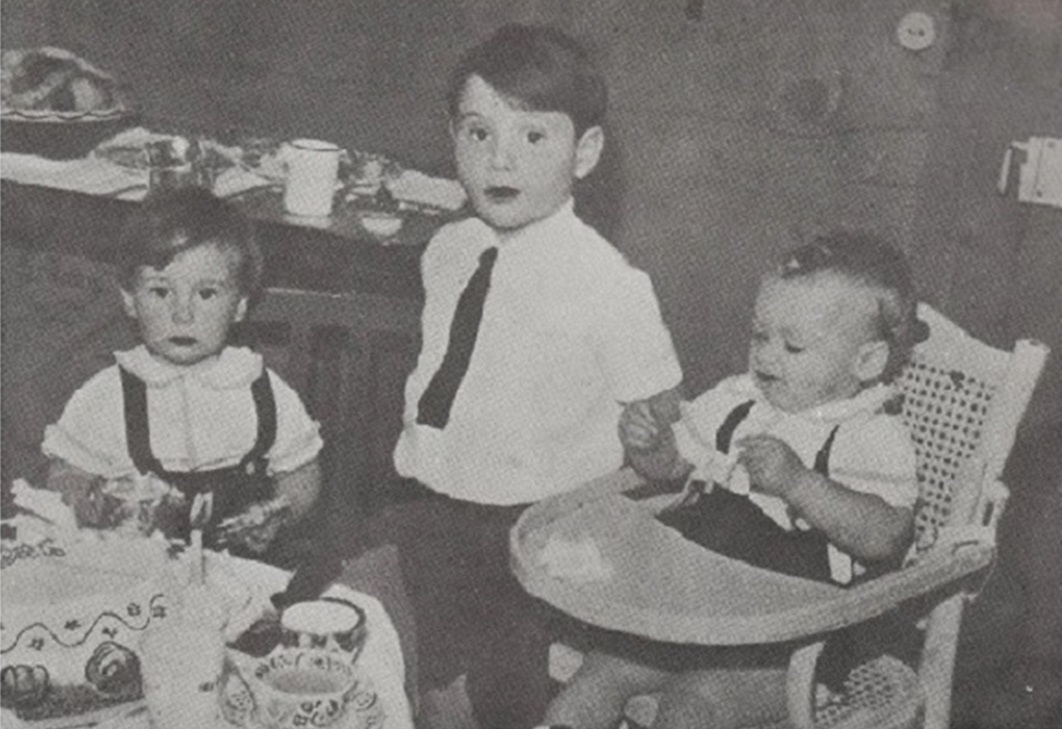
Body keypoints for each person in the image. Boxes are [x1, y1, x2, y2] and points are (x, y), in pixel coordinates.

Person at [375, 23, 683, 729]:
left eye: (533, 137)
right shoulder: (449, 250)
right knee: (359, 636)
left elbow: (667, 446)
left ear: (587, 152)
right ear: (451, 135)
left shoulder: (611, 285)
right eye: (478, 133)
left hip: (535, 535)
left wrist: (650, 444)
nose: (499, 158)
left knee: (473, 698)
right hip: (431, 504)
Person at [543, 231, 926, 729]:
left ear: (867, 362)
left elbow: (886, 536)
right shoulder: (738, 402)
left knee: (692, 707)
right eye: (759, 336)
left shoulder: (868, 434)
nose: (767, 356)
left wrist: (799, 483)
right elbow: (674, 465)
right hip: (690, 609)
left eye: (793, 346)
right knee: (595, 679)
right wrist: (651, 446)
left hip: (790, 643)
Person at [42, 188, 323, 558]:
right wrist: (99, 505)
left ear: (239, 305)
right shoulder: (107, 394)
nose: (183, 314)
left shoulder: (263, 390)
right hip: (134, 568)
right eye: (161, 292)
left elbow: (302, 475)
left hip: (240, 569)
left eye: (206, 294)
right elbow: (64, 478)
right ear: (130, 299)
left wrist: (278, 514)